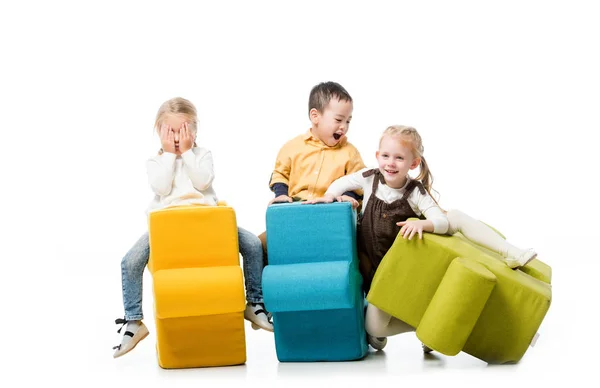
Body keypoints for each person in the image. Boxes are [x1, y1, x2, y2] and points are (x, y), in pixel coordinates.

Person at [307, 124, 538, 351]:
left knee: (455, 218)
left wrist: (423, 223)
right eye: (385, 155)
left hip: (411, 269)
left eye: (399, 158)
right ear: (377, 156)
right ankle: (426, 323)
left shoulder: (415, 192)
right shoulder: (369, 178)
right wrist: (330, 196)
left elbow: (442, 221)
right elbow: (342, 182)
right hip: (380, 274)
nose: (390, 163)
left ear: (413, 163)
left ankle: (510, 252)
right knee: (374, 328)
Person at [113, 97, 271, 359]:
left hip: (208, 222)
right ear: (159, 132)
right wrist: (168, 154)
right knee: (130, 262)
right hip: (167, 227)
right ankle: (133, 321)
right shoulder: (155, 162)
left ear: (195, 131)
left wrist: (186, 152)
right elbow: (161, 187)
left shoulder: (202, 155)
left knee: (253, 245)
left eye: (183, 130)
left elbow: (202, 181)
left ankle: (254, 303)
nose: (177, 137)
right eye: (170, 131)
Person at [258, 81, 366, 259]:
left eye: (348, 121)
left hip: (331, 215)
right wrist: (281, 195)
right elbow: (280, 174)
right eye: (339, 120)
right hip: (294, 211)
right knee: (257, 245)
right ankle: (257, 287)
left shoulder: (350, 152)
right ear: (315, 116)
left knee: (363, 250)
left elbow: (359, 182)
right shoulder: (293, 147)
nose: (344, 127)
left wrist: (351, 197)